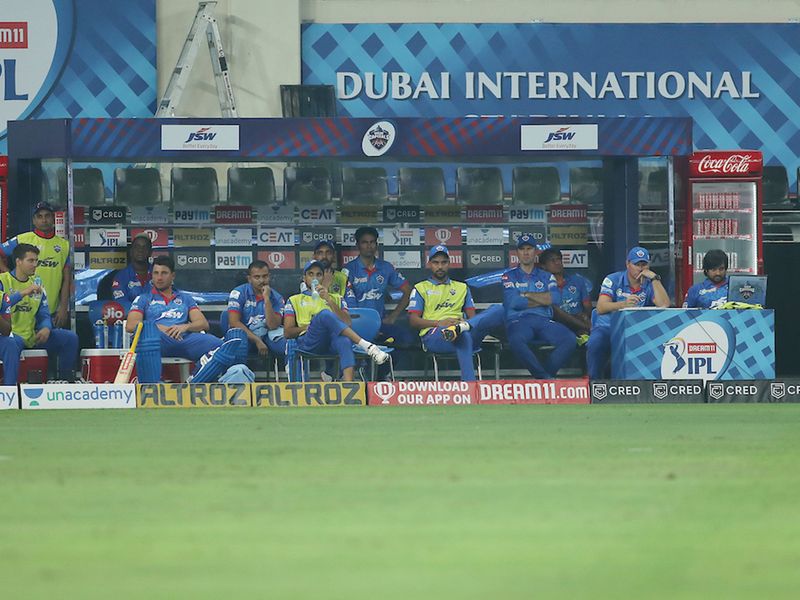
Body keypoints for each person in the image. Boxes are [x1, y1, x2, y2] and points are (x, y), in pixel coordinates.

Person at [407, 245, 505, 382]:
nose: (440, 266)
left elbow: (473, 318)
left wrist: (464, 324)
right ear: (429, 264)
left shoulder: (462, 287)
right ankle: (469, 386)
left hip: (464, 330)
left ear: (449, 264)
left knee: (499, 309)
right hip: (435, 335)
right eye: (436, 263)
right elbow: (413, 321)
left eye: (443, 262)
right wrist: (439, 323)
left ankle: (460, 328)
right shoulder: (421, 288)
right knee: (463, 335)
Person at [284, 260, 388, 382]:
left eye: (318, 275)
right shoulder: (294, 299)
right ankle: (367, 346)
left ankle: (349, 386)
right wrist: (308, 326)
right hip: (309, 341)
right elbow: (288, 332)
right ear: (304, 278)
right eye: (311, 274)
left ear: (323, 277)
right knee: (324, 314)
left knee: (344, 340)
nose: (314, 278)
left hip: (331, 341)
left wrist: (328, 299)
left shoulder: (337, 298)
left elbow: (347, 323)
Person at [587, 246, 671, 379]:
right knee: (595, 342)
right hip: (608, 327)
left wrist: (655, 278)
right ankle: (594, 383)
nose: (641, 268)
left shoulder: (650, 283)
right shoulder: (613, 279)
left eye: (644, 264)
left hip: (636, 329)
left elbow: (664, 304)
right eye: (637, 264)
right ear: (627, 264)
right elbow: (601, 307)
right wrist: (623, 304)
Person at [500, 234, 577, 379]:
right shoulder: (509, 276)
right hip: (519, 321)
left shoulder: (546, 276)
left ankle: (544, 376)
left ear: (535, 251)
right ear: (517, 253)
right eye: (522, 249)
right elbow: (513, 302)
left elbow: (555, 298)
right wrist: (542, 299)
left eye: (529, 248)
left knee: (570, 339)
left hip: (543, 321)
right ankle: (544, 379)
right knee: (516, 340)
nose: (526, 252)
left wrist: (526, 294)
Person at [0, 243, 79, 382]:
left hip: (32, 334)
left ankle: (65, 380)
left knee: (70, 338)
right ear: (18, 261)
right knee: (11, 345)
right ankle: (9, 390)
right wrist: (23, 293)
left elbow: (43, 312)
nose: (35, 264)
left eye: (36, 260)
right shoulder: (3, 280)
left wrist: (46, 328)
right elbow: (2, 304)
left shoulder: (37, 282)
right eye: (30, 260)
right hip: (12, 335)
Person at [125, 255, 222, 362]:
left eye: (164, 273)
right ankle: (155, 378)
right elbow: (131, 325)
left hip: (184, 340)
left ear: (173, 276)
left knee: (220, 345)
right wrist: (159, 328)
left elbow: (203, 324)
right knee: (148, 337)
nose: (159, 278)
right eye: (156, 273)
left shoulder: (185, 298)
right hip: (159, 340)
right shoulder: (143, 298)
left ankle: (195, 377)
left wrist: (184, 327)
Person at [0, 202, 71, 328]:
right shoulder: (23, 239)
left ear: (53, 218)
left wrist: (63, 308)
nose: (44, 220)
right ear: (33, 220)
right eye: (39, 216)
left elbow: (66, 279)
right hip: (23, 309)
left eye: (47, 216)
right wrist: (8, 274)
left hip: (51, 311)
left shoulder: (64, 245)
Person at [346, 226, 416, 348]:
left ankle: (385, 367)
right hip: (355, 325)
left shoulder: (386, 268)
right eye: (364, 242)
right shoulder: (348, 270)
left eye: (372, 242)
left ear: (376, 244)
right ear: (358, 245)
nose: (369, 246)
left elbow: (408, 291)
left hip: (380, 323)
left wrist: (393, 317)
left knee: (406, 338)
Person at [227, 260, 286, 359]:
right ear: (249, 279)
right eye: (257, 277)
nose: (261, 280)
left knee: (288, 346)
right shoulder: (238, 293)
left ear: (269, 276)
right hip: (245, 334)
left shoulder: (277, 297)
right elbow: (234, 322)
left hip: (267, 334)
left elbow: (272, 325)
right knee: (238, 344)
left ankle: (293, 373)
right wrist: (256, 340)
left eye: (265, 276)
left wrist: (267, 299)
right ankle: (238, 373)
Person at [538, 246, 593, 342]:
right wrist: (581, 323)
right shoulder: (541, 285)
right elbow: (554, 312)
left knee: (588, 337)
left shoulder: (577, 281)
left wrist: (585, 315)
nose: (557, 263)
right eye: (552, 260)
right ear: (543, 266)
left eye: (559, 259)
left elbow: (587, 306)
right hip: (556, 325)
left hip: (580, 324)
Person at [300, 240, 356, 306]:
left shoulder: (343, 278)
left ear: (334, 256)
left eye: (328, 252)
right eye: (320, 253)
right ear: (314, 256)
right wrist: (324, 286)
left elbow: (352, 305)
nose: (324, 256)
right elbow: (307, 304)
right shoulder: (308, 277)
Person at [111, 233, 153, 302]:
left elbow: (169, 299)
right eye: (137, 247)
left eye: (145, 247)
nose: (140, 250)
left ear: (150, 252)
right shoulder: (121, 276)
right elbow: (121, 303)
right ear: (131, 252)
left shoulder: (159, 273)